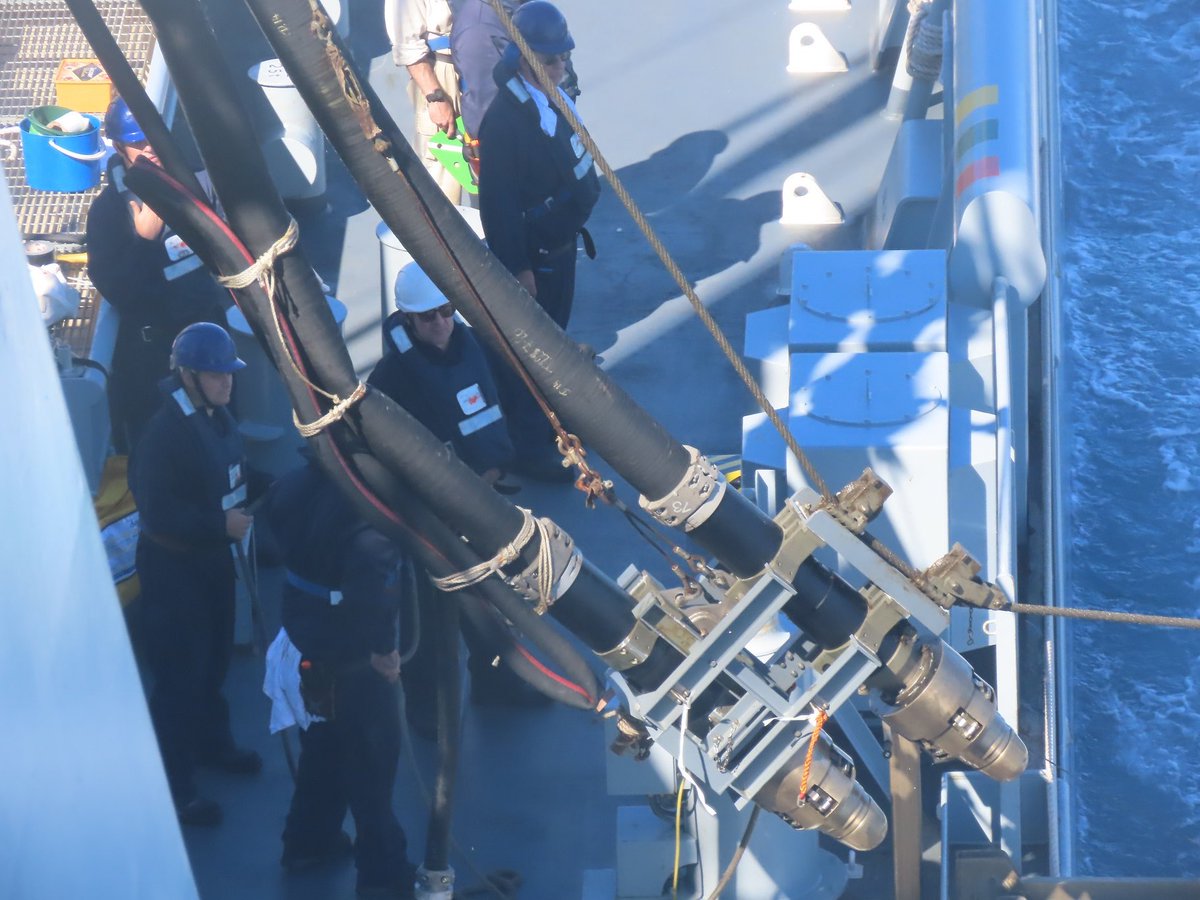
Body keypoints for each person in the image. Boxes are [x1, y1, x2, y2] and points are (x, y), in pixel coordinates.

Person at [367, 264, 548, 734]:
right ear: (408, 320)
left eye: (447, 311)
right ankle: (426, 710)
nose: (442, 324)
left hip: (483, 500)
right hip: (430, 518)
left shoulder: (475, 350)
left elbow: (506, 407)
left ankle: (495, 685)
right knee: (427, 619)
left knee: (490, 601)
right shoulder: (391, 380)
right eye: (429, 318)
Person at [262, 457, 417, 899]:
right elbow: (373, 587)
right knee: (371, 759)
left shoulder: (292, 484)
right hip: (352, 655)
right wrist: (384, 651)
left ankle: (308, 841)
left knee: (323, 742)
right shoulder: (371, 513)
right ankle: (382, 870)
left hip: (304, 638)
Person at [129, 323, 261, 828]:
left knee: (213, 663)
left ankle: (212, 744)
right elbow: (157, 511)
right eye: (215, 374)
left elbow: (232, 473)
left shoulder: (218, 417)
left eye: (229, 373)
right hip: (174, 571)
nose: (227, 383)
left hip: (210, 563)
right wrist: (219, 525)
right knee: (180, 677)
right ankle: (177, 787)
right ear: (187, 376)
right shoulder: (164, 435)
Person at [476, 1, 599, 472]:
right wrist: (519, 267)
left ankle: (553, 424)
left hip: (561, 250)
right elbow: (498, 208)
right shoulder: (505, 124)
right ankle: (531, 445)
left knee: (555, 339)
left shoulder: (554, 100)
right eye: (551, 60)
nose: (562, 66)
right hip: (536, 259)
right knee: (530, 356)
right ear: (525, 60)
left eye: (563, 57)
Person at [87, 97, 229, 453]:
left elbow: (235, 249)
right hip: (153, 353)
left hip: (208, 330)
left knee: (221, 425)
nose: (147, 148)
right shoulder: (108, 213)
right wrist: (145, 241)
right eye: (136, 143)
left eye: (151, 138)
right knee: (162, 442)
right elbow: (119, 291)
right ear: (119, 148)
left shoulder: (201, 184)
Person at [386, 0, 464, 204]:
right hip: (443, 74)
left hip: (485, 63)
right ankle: (448, 233)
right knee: (443, 165)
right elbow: (408, 45)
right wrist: (435, 97)